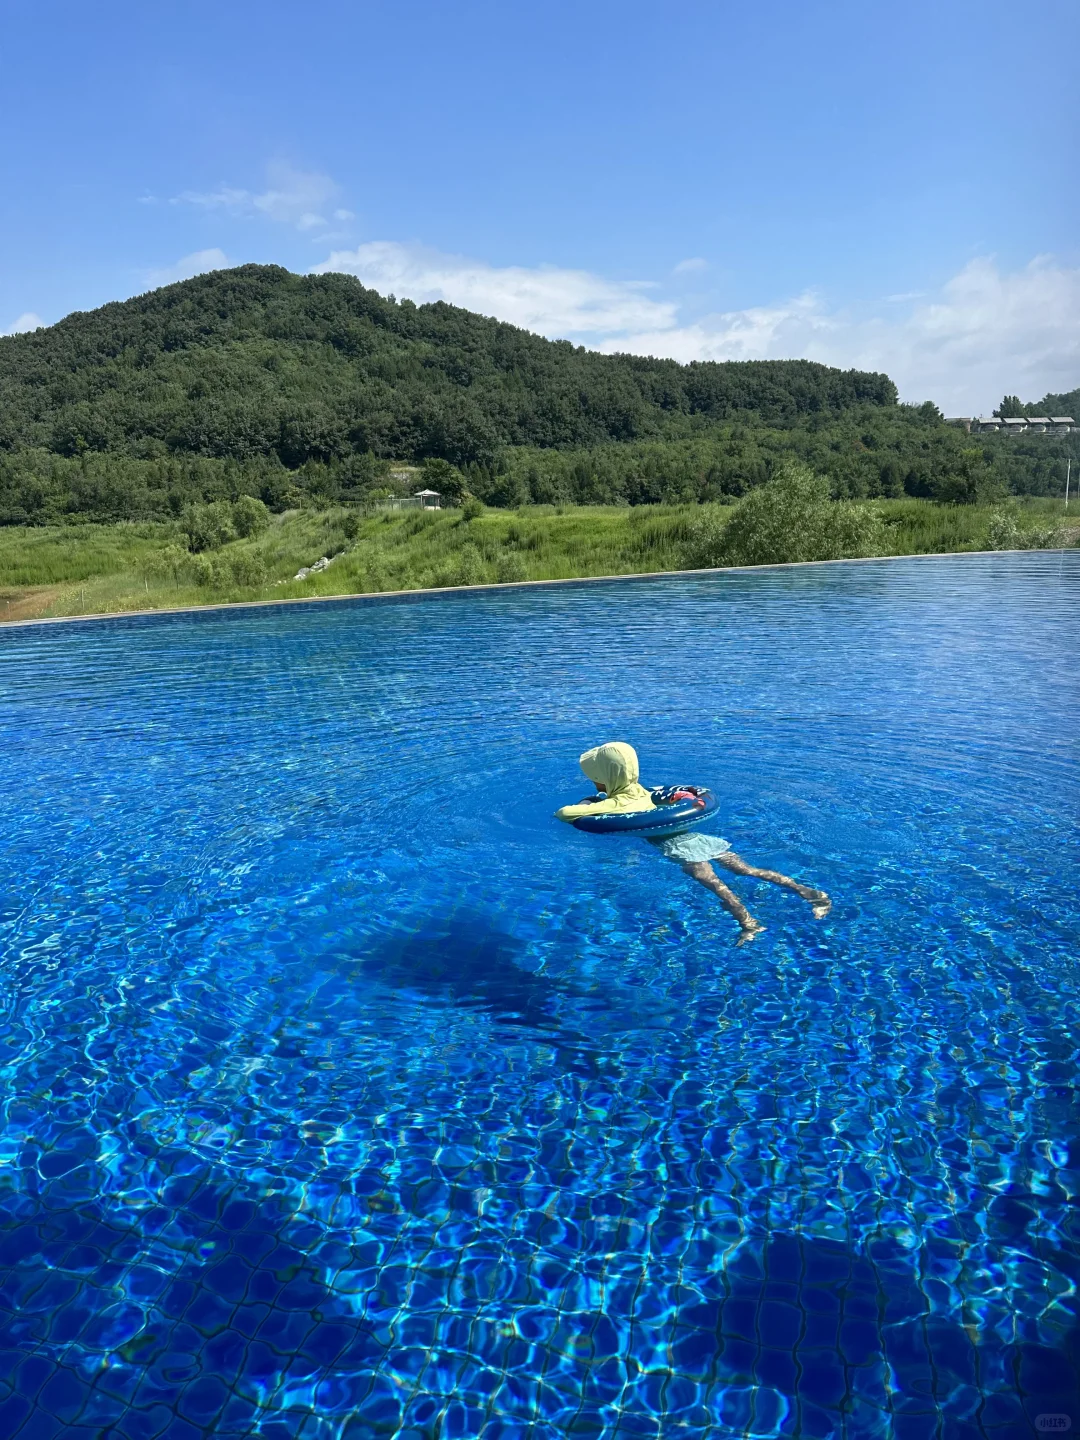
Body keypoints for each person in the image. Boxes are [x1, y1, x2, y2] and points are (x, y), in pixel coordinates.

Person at [555, 741, 830, 944]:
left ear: (606, 778)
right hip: (701, 838)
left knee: (717, 886)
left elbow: (566, 813)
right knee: (748, 870)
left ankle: (749, 924)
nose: (594, 784)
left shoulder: (615, 803)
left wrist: (588, 805)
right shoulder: (650, 793)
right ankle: (810, 893)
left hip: (679, 848)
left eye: (595, 779)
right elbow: (677, 796)